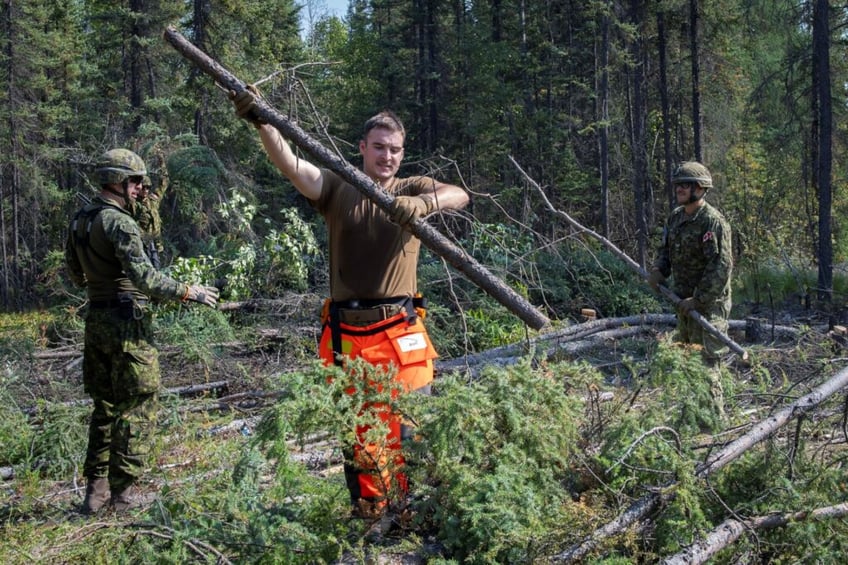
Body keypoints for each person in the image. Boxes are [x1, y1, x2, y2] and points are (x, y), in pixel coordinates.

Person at [232, 90, 469, 519]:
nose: (387, 156)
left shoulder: (410, 188)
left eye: (395, 149)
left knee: (409, 427)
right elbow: (292, 166)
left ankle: (413, 511)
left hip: (402, 332)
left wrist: (422, 204)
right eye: (379, 147)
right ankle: (371, 513)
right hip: (347, 336)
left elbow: (459, 195)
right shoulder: (337, 186)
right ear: (362, 148)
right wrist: (262, 122)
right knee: (360, 430)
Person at [65, 148, 220, 514]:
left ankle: (95, 495)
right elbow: (145, 278)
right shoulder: (119, 223)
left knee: (104, 408)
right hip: (126, 325)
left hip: (97, 322)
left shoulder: (80, 220)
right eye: (135, 182)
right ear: (117, 181)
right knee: (138, 405)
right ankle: (122, 499)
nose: (139, 189)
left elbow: (75, 273)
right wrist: (189, 291)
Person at [134, 174, 166, 269]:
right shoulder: (133, 204)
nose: (145, 190)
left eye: (148, 188)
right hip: (142, 243)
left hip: (154, 242)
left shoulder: (153, 201)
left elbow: (163, 184)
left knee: (157, 268)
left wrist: (162, 164)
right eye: (143, 187)